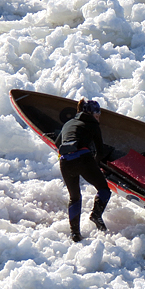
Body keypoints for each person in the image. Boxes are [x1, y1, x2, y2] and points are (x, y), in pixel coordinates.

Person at [55, 98, 111, 242]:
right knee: (104, 189)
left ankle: (75, 234)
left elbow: (57, 143)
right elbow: (100, 151)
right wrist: (96, 165)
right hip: (83, 159)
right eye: (97, 116)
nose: (98, 120)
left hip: (65, 162)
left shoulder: (68, 123)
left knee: (74, 197)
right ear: (90, 114)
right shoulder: (92, 125)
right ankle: (96, 215)